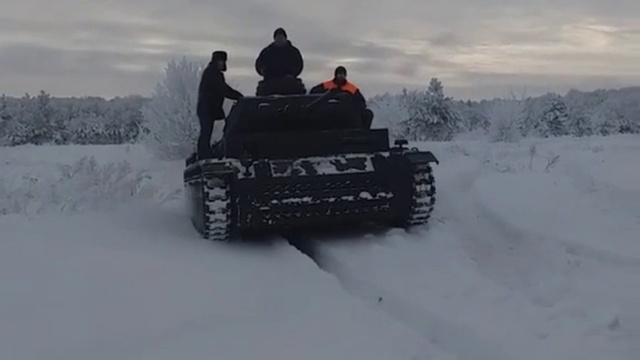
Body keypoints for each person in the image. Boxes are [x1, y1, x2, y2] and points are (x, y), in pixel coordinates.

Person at [196, 50, 243, 158]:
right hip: (207, 108)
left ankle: (207, 152)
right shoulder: (212, 73)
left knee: (209, 131)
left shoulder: (213, 72)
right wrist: (238, 96)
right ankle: (204, 154)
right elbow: (223, 89)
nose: (222, 63)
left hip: (210, 108)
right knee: (206, 131)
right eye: (220, 61)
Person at [309, 66, 374, 128]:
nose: (340, 76)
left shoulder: (351, 88)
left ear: (345, 76)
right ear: (336, 75)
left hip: (347, 115)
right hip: (328, 114)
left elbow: (361, 102)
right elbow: (313, 92)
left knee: (367, 114)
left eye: (342, 74)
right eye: (339, 74)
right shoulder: (327, 85)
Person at [254, 28, 305, 95]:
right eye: (278, 37)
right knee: (262, 89)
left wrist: (292, 74)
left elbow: (299, 65)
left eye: (281, 37)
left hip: (289, 81)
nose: (279, 39)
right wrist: (263, 71)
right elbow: (259, 65)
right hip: (270, 81)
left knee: (297, 88)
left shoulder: (293, 52)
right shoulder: (267, 52)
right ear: (274, 38)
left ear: (285, 38)